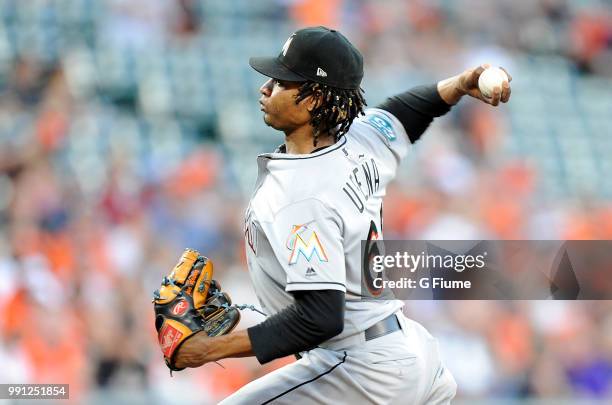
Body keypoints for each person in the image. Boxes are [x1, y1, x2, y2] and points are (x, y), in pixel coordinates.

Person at [174, 26, 511, 404]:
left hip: (364, 369)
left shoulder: (303, 197)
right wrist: (462, 84)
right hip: (406, 352)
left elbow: (321, 317)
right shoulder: (362, 139)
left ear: (315, 99)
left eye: (283, 81)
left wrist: (208, 349)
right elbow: (407, 111)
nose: (265, 88)